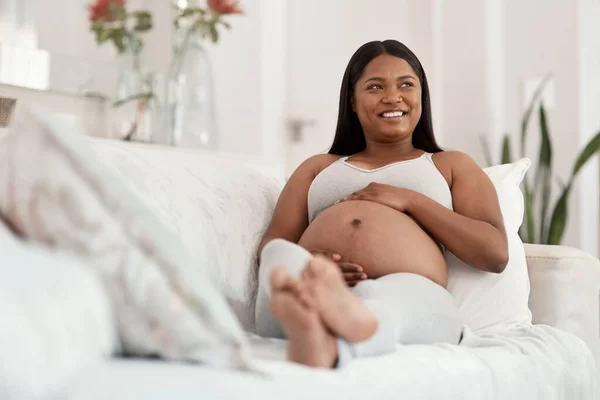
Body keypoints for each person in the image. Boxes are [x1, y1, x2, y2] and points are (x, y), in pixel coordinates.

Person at [254, 40, 509, 368]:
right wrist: (309, 265)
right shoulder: (318, 167)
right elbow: (272, 245)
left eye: (406, 84)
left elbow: (495, 253)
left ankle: (335, 325)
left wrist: (410, 200)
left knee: (383, 301)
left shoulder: (450, 164)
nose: (393, 96)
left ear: (421, 95)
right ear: (354, 101)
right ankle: (317, 312)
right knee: (278, 256)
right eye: (375, 87)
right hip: (314, 280)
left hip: (414, 293)